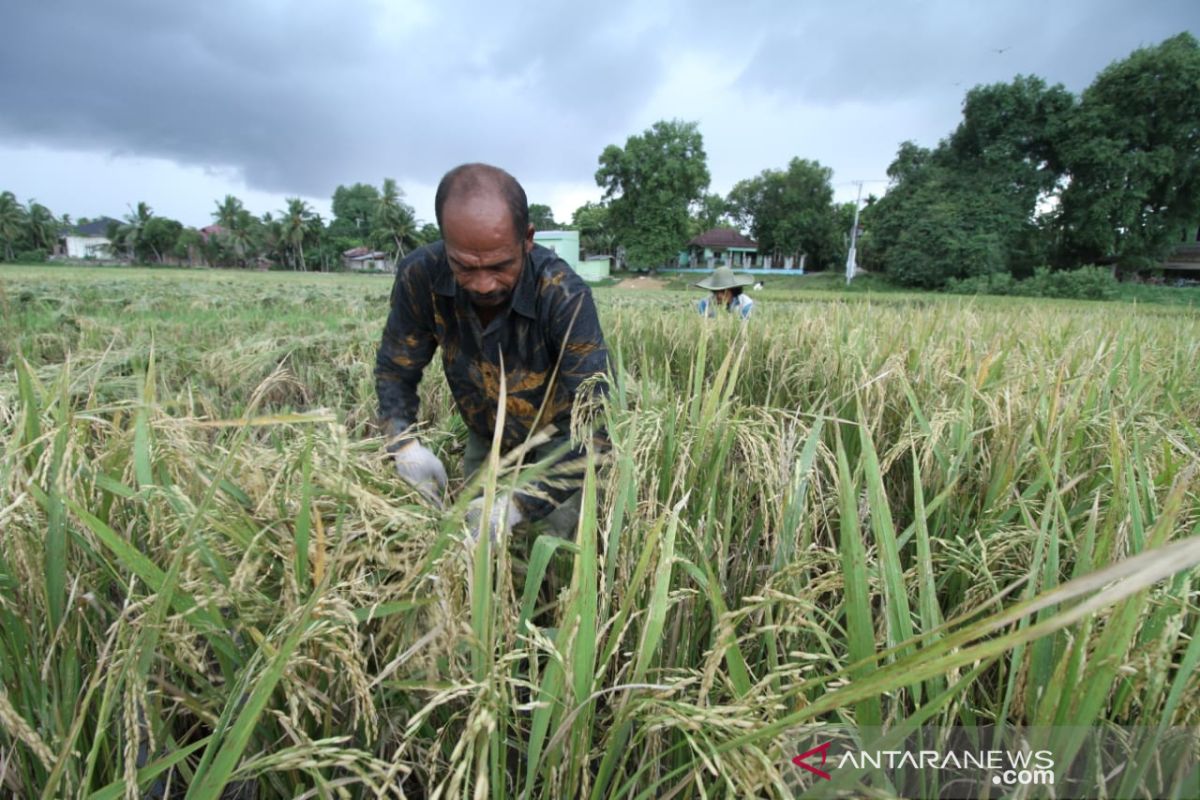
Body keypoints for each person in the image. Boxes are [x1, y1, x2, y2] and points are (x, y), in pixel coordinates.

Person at [375, 163, 609, 541]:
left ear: (527, 239)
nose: (483, 284)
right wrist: (402, 443)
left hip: (558, 446)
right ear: (445, 242)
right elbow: (395, 369)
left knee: (552, 556)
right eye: (464, 267)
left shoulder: (564, 295)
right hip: (486, 436)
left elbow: (595, 425)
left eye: (501, 266)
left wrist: (518, 505)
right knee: (472, 547)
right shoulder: (420, 277)